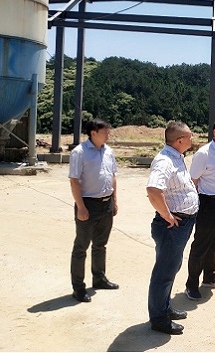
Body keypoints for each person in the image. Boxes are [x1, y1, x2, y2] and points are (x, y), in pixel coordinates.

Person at [146, 121, 199, 335]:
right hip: (172, 227)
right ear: (179, 140)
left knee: (172, 268)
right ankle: (158, 319)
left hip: (182, 224)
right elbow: (153, 190)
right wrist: (167, 215)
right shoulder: (165, 161)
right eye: (190, 136)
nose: (192, 139)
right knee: (164, 273)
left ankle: (164, 307)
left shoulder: (177, 157)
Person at [69, 118, 119, 304]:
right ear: (93, 133)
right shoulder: (79, 152)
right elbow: (74, 181)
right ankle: (78, 288)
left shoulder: (108, 151)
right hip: (88, 204)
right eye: (105, 132)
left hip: (106, 204)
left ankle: (99, 278)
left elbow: (113, 177)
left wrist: (114, 201)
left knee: (100, 244)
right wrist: (81, 207)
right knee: (81, 247)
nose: (108, 135)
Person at [185, 119, 215, 301]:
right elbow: (193, 181)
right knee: (201, 244)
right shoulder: (204, 154)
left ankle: (209, 277)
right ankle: (191, 284)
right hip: (207, 202)